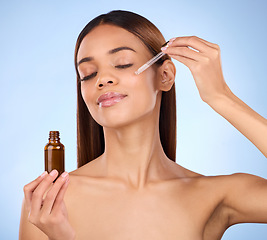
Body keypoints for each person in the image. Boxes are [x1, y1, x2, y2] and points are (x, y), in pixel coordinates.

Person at [19, 10, 267, 240]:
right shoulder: (48, 203)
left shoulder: (215, 196)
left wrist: (221, 97)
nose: (103, 79)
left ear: (165, 75)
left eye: (123, 63)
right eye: (88, 73)